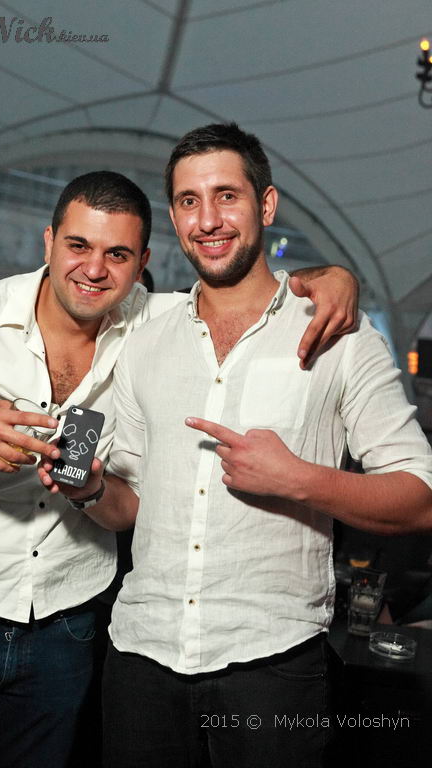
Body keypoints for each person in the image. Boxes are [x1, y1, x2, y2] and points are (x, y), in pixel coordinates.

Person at [0, 169, 356, 768]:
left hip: (70, 619)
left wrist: (334, 277)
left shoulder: (159, 321)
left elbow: (256, 289)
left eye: (117, 254)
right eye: (78, 245)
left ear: (143, 261)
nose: (95, 269)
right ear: (48, 241)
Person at [52, 124, 432, 768]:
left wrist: (297, 479)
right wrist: (89, 489)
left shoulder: (339, 334)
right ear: (174, 217)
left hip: (273, 666)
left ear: (267, 204)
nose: (207, 220)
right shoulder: (146, 337)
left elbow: (420, 498)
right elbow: (133, 502)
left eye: (226, 195)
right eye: (189, 201)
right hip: (141, 659)